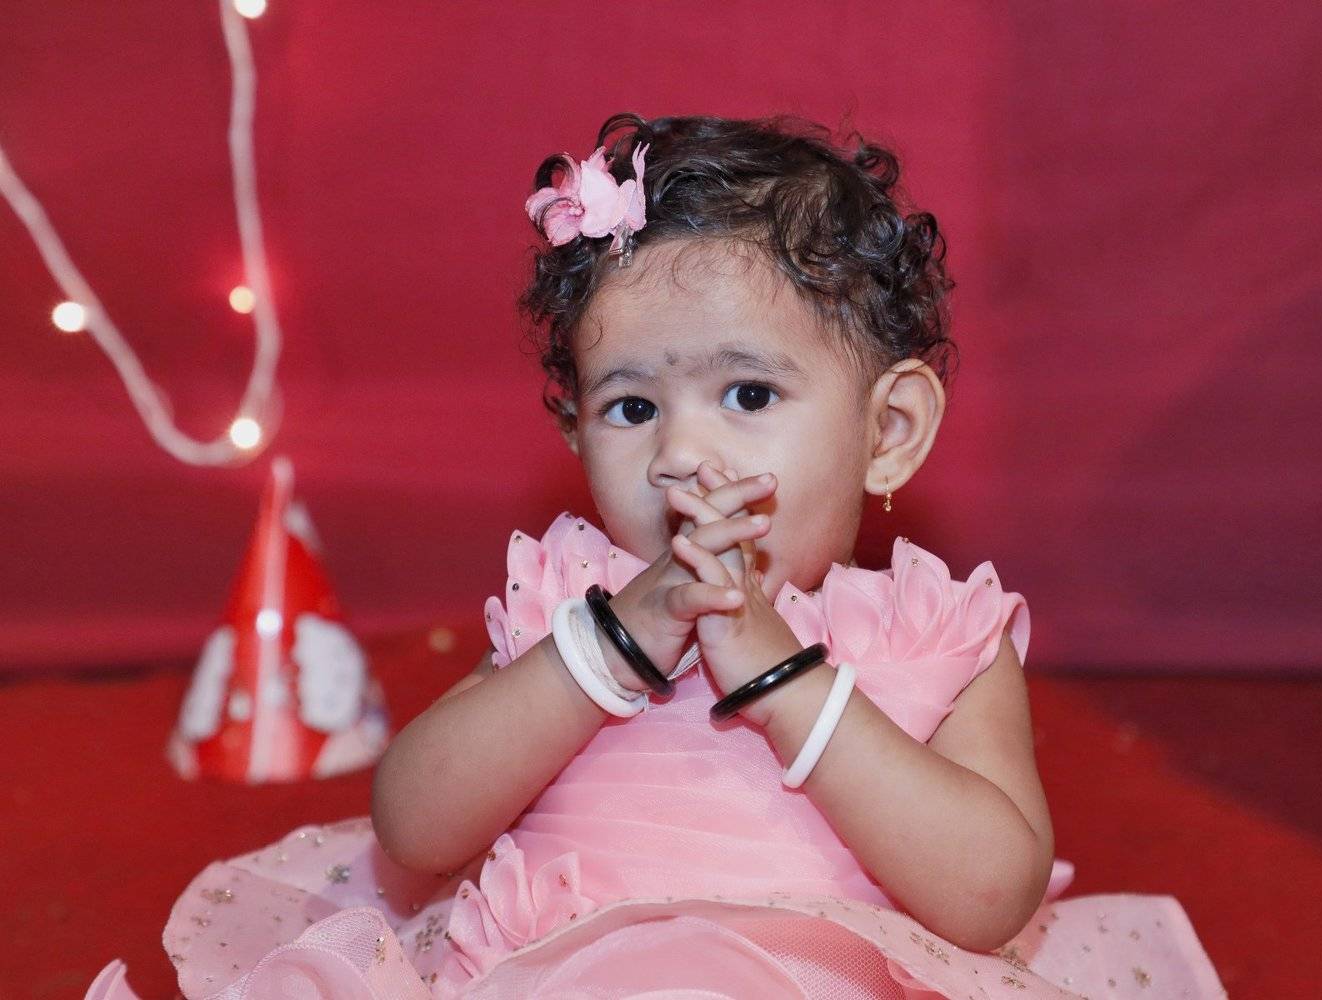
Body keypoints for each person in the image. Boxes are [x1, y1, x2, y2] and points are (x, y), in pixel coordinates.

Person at [88, 112, 1225, 999]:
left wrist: (784, 677)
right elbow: (415, 826)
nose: (681, 454)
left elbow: (989, 895)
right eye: (632, 408)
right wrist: (608, 648)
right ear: (575, 430)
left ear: (889, 431)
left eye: (748, 394)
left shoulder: (939, 637)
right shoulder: (573, 599)